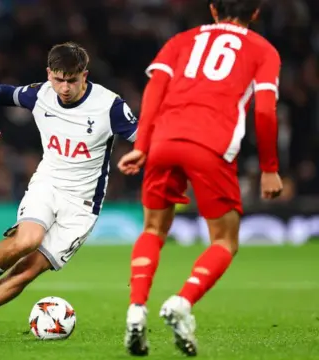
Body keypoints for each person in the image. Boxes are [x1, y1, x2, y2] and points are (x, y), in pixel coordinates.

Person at [0, 42, 138, 340]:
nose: (64, 88)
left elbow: (145, 138)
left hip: (82, 205)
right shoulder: (41, 93)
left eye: (72, 80)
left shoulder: (111, 106)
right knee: (28, 238)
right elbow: (8, 93)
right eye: (58, 79)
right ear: (49, 74)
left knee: (27, 271)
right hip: (48, 184)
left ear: (85, 75)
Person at [117, 0, 283, 356]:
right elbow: (266, 110)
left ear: (212, 9)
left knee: (152, 230)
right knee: (224, 241)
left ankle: (136, 308)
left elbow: (154, 92)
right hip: (211, 146)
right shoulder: (264, 50)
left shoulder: (181, 40)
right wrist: (269, 168)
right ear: (255, 13)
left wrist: (142, 145)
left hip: (163, 141)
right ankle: (182, 302)